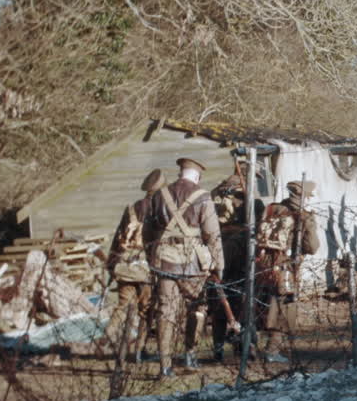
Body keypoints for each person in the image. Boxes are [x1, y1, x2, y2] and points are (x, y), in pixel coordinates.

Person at [146, 157, 223, 377]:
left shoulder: (160, 195)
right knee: (198, 309)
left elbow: (147, 232)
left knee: (165, 312)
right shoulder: (204, 197)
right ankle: (190, 354)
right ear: (197, 176)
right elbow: (212, 235)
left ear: (180, 173)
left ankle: (165, 365)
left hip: (164, 263)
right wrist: (219, 265)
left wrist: (150, 258)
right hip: (193, 265)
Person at [102, 168, 164, 360]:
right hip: (146, 268)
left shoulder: (132, 208)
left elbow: (117, 238)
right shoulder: (159, 210)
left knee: (123, 307)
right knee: (147, 311)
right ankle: (139, 350)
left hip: (125, 267)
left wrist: (111, 265)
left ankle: (104, 342)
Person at [206, 159, 263, 362]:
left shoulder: (217, 191)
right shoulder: (250, 199)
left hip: (218, 247)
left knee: (219, 299)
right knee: (243, 301)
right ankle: (245, 346)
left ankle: (219, 348)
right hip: (240, 250)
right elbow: (257, 220)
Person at [255, 180, 319, 363]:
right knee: (284, 306)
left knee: (262, 304)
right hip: (285, 266)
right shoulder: (304, 216)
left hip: (263, 263)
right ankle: (272, 350)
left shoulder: (272, 209)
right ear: (305, 197)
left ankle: (250, 347)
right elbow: (313, 247)